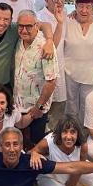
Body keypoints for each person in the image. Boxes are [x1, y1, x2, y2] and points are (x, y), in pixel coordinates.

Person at [14, 10, 58, 147]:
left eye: (28, 26)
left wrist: (39, 107)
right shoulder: (19, 41)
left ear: (36, 25)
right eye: (21, 26)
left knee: (35, 147)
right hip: (18, 106)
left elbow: (51, 82)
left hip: (36, 109)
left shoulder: (45, 46)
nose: (24, 30)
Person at [37, 0, 67, 127]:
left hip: (61, 69)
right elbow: (51, 48)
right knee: (43, 112)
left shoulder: (66, 13)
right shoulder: (39, 18)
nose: (59, 2)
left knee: (58, 112)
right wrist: (60, 23)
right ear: (46, 0)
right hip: (45, 73)